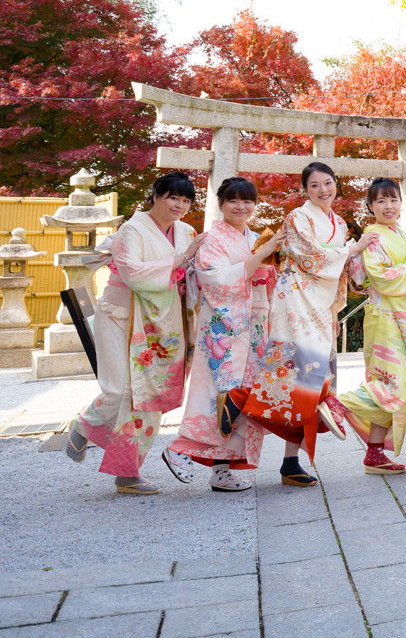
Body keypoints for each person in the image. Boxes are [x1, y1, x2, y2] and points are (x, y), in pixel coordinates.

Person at [221, 162, 376, 488]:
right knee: (293, 377)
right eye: (315, 185)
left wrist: (335, 309)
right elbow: (310, 258)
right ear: (306, 190)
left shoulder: (341, 223)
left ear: (336, 185)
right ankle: (241, 399)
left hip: (320, 308)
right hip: (295, 304)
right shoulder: (297, 218)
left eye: (328, 183)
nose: (324, 190)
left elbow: (338, 272)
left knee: (307, 388)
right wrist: (351, 250)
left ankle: (290, 461)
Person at [64, 172, 202, 495]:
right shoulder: (132, 230)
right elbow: (133, 274)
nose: (179, 205)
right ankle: (83, 424)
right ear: (155, 196)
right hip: (121, 316)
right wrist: (182, 259)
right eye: (173, 197)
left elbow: (191, 274)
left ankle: (127, 472)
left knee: (148, 395)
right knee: (119, 390)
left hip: (163, 322)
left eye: (185, 200)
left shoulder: (186, 231)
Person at [168, 177, 280, 491]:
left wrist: (267, 268)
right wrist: (262, 256)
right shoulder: (212, 239)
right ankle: (178, 450)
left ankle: (222, 470)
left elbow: (258, 276)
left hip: (252, 328)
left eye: (248, 201)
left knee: (241, 398)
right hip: (222, 329)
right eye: (234, 201)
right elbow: (217, 281)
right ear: (221, 204)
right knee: (216, 395)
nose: (241, 207)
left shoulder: (252, 237)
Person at [337, 178, 406, 475]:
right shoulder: (374, 235)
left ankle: (374, 454)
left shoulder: (402, 234)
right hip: (386, 317)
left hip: (405, 316)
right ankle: (338, 405)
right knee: (389, 382)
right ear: (370, 207)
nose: (388, 206)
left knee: (400, 386)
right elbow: (380, 277)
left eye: (393, 200)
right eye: (381, 201)